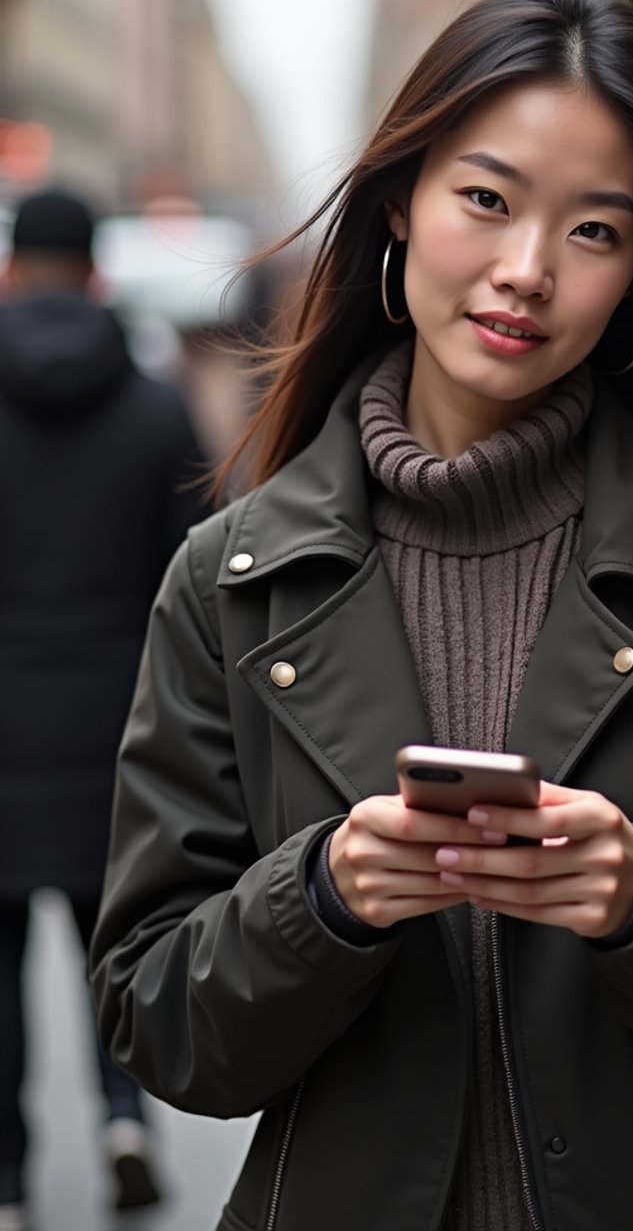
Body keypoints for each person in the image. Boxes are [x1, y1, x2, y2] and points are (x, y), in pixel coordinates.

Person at [90, 0, 633, 1231]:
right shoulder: (231, 585)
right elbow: (158, 1022)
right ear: (398, 205)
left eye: (595, 231)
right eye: (485, 200)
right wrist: (323, 896)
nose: (526, 271)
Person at [0, 190, 207, 1228]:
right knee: (107, 944)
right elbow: (196, 577)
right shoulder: (156, 407)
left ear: (11, 269)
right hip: (115, 726)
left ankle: (6, 1180)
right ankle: (125, 1118)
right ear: (95, 273)